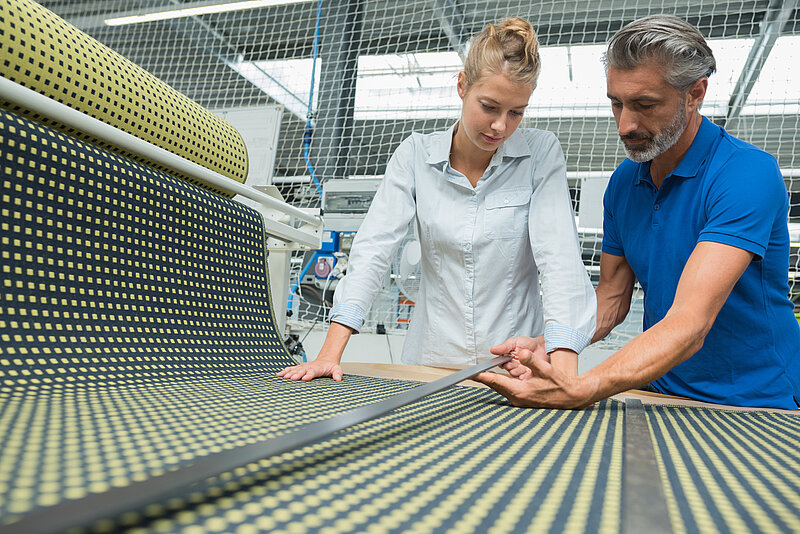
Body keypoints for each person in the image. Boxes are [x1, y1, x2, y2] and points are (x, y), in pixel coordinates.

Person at [475, 14, 800, 410]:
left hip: (757, 401)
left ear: (695, 93)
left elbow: (690, 323)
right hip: (661, 394)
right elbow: (611, 299)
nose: (625, 124)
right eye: (616, 103)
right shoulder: (625, 182)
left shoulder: (746, 174)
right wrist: (553, 342)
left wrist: (585, 386)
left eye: (645, 105)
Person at [278, 17, 596, 382]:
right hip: (429, 364)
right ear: (462, 85)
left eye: (516, 113)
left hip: (514, 367)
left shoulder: (540, 154)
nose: (500, 127)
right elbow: (374, 248)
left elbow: (559, 258)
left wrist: (564, 374)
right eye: (489, 107)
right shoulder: (415, 155)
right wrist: (329, 354)